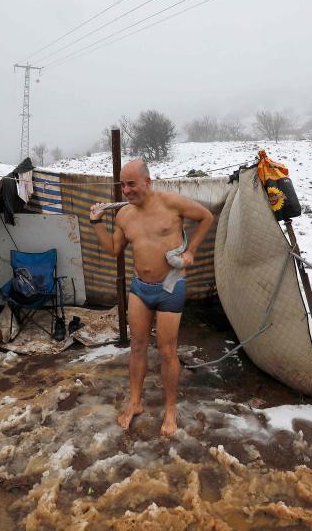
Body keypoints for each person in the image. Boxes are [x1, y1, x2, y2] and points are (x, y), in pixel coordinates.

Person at [90, 159, 214, 436]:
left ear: (147, 181)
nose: (126, 190)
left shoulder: (172, 203)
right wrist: (94, 222)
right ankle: (135, 402)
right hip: (140, 288)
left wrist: (191, 251)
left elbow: (206, 217)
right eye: (123, 185)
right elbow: (113, 249)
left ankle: (170, 410)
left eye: (131, 183)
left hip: (170, 286)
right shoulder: (123, 215)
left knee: (167, 351)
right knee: (137, 346)